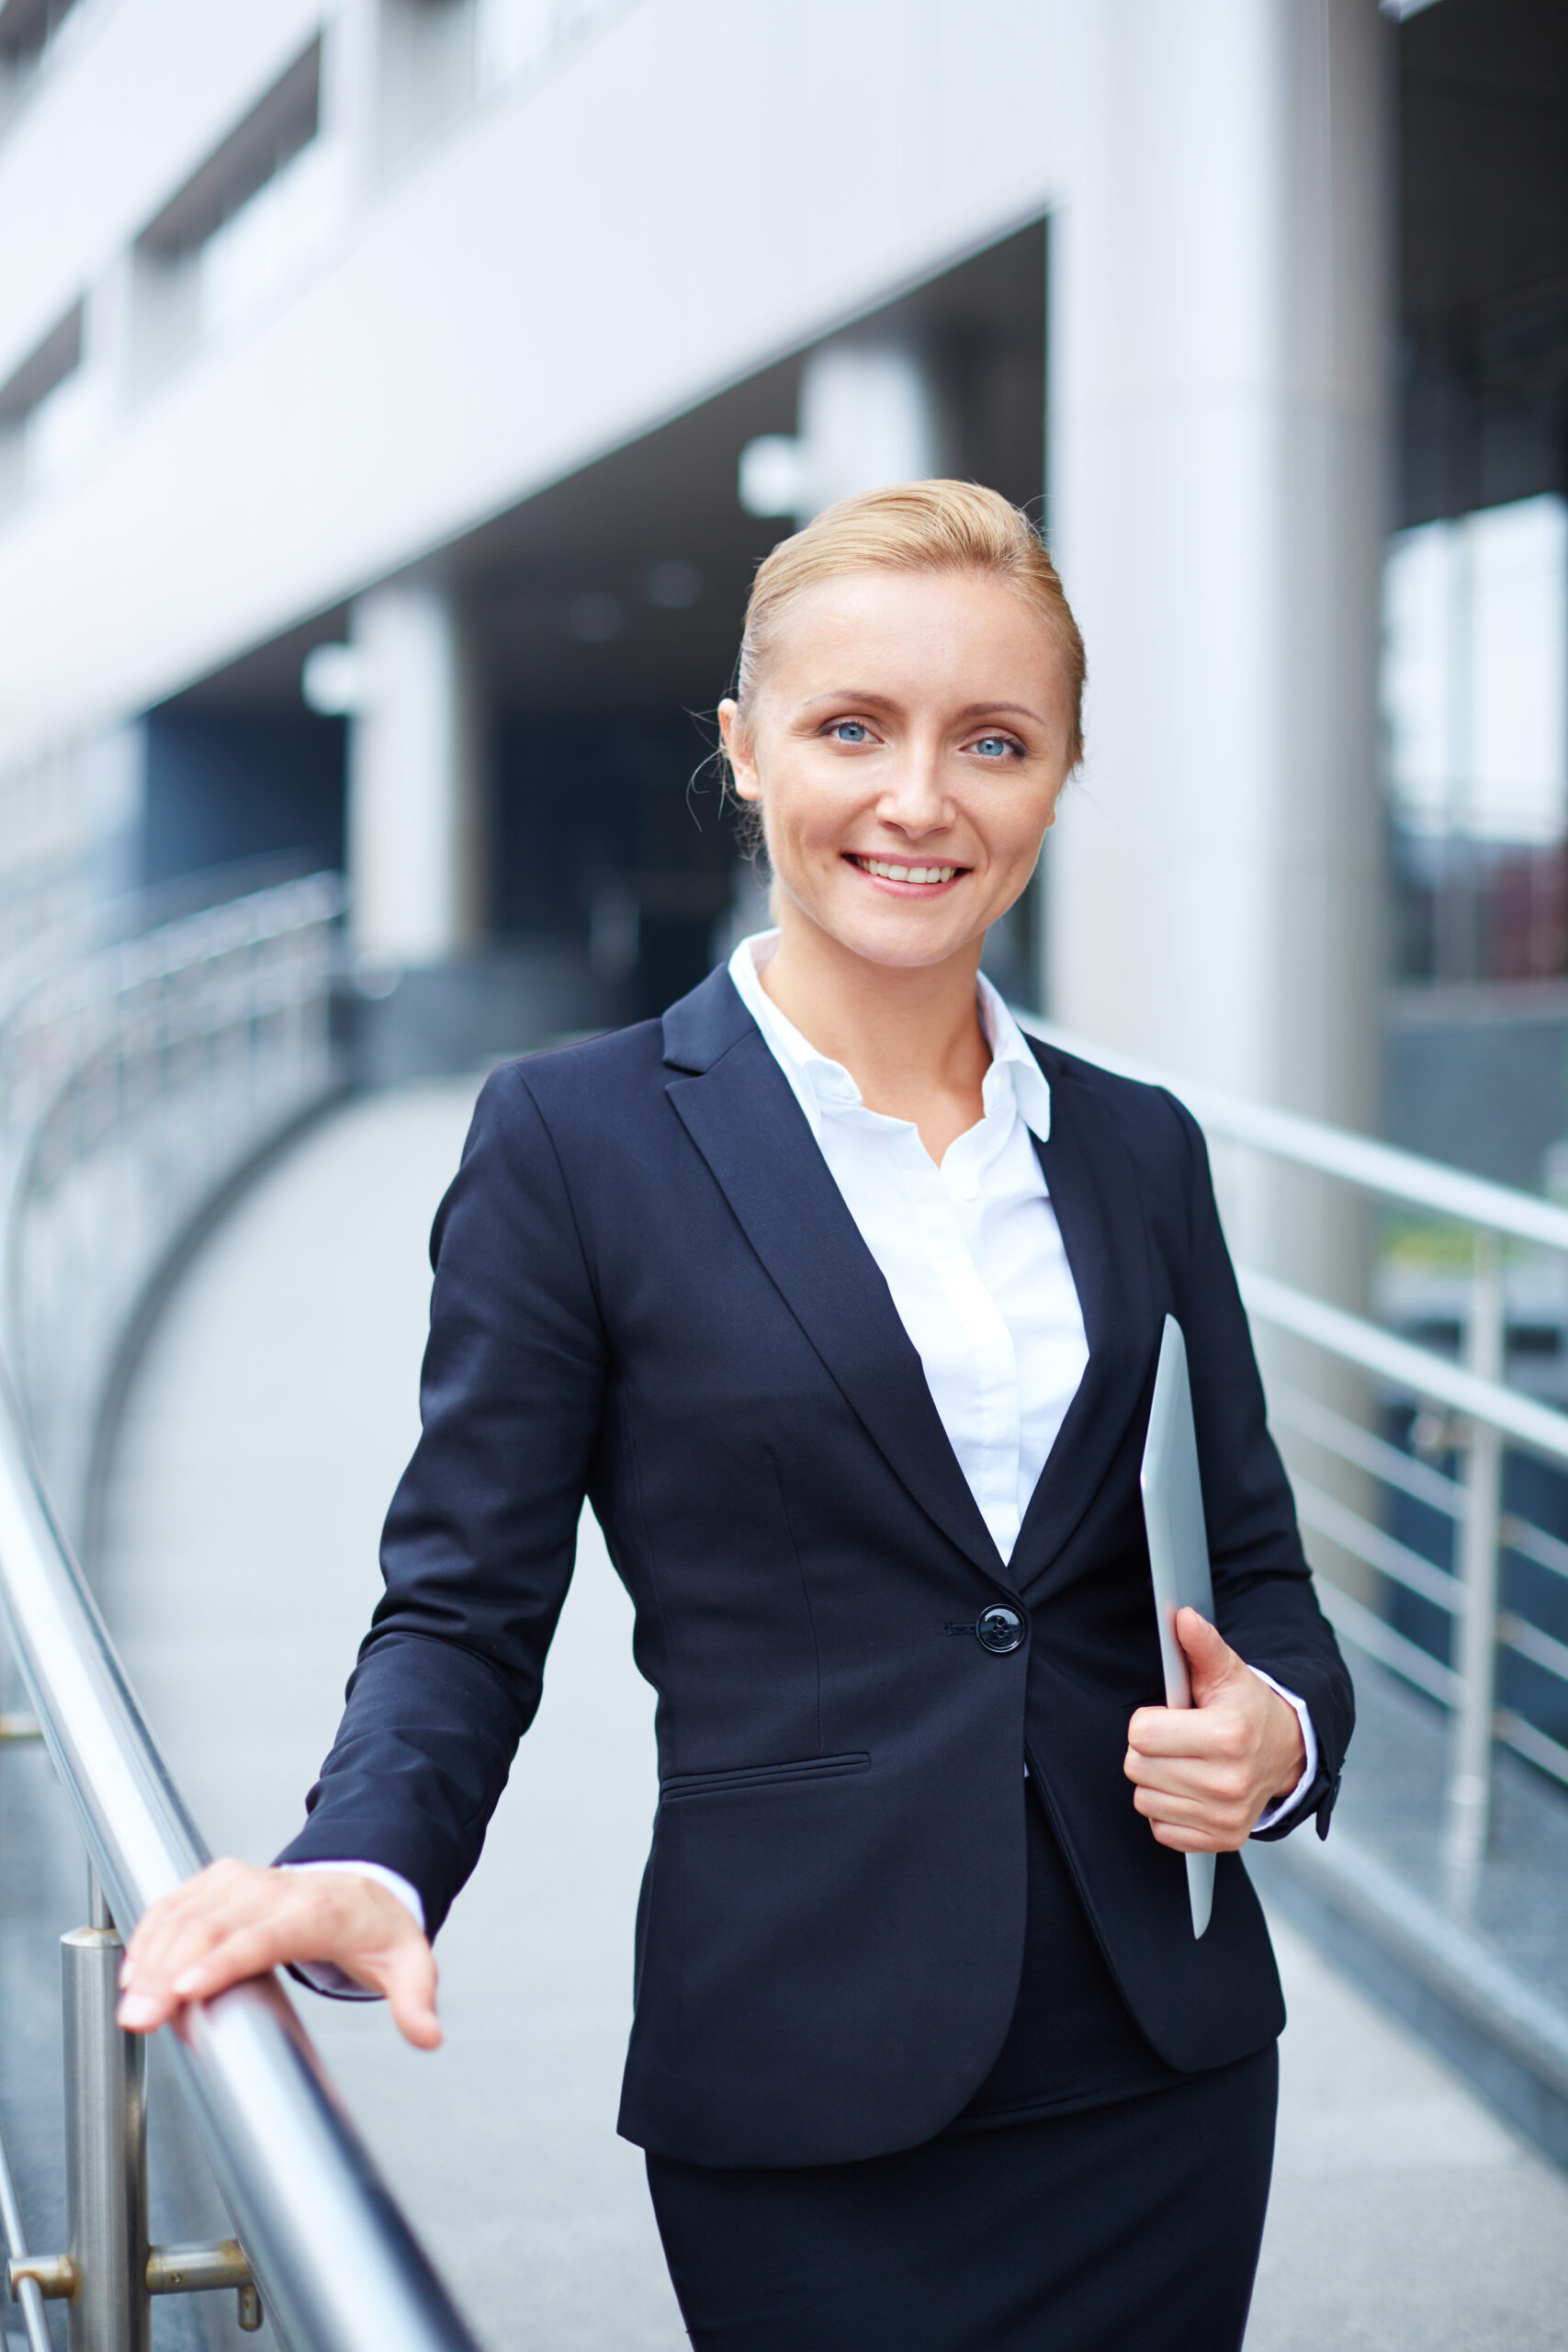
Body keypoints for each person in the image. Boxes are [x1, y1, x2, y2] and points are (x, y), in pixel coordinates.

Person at [118, 481, 1353, 2351]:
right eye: (850, 725)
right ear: (744, 744)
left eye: (991, 740)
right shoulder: (573, 1138)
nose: (918, 799)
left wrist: (1272, 1732)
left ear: (1057, 773)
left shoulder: (1133, 1147)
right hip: (803, 2079)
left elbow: (1254, 1566)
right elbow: (461, 1603)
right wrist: (359, 1859)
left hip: (1157, 2062)